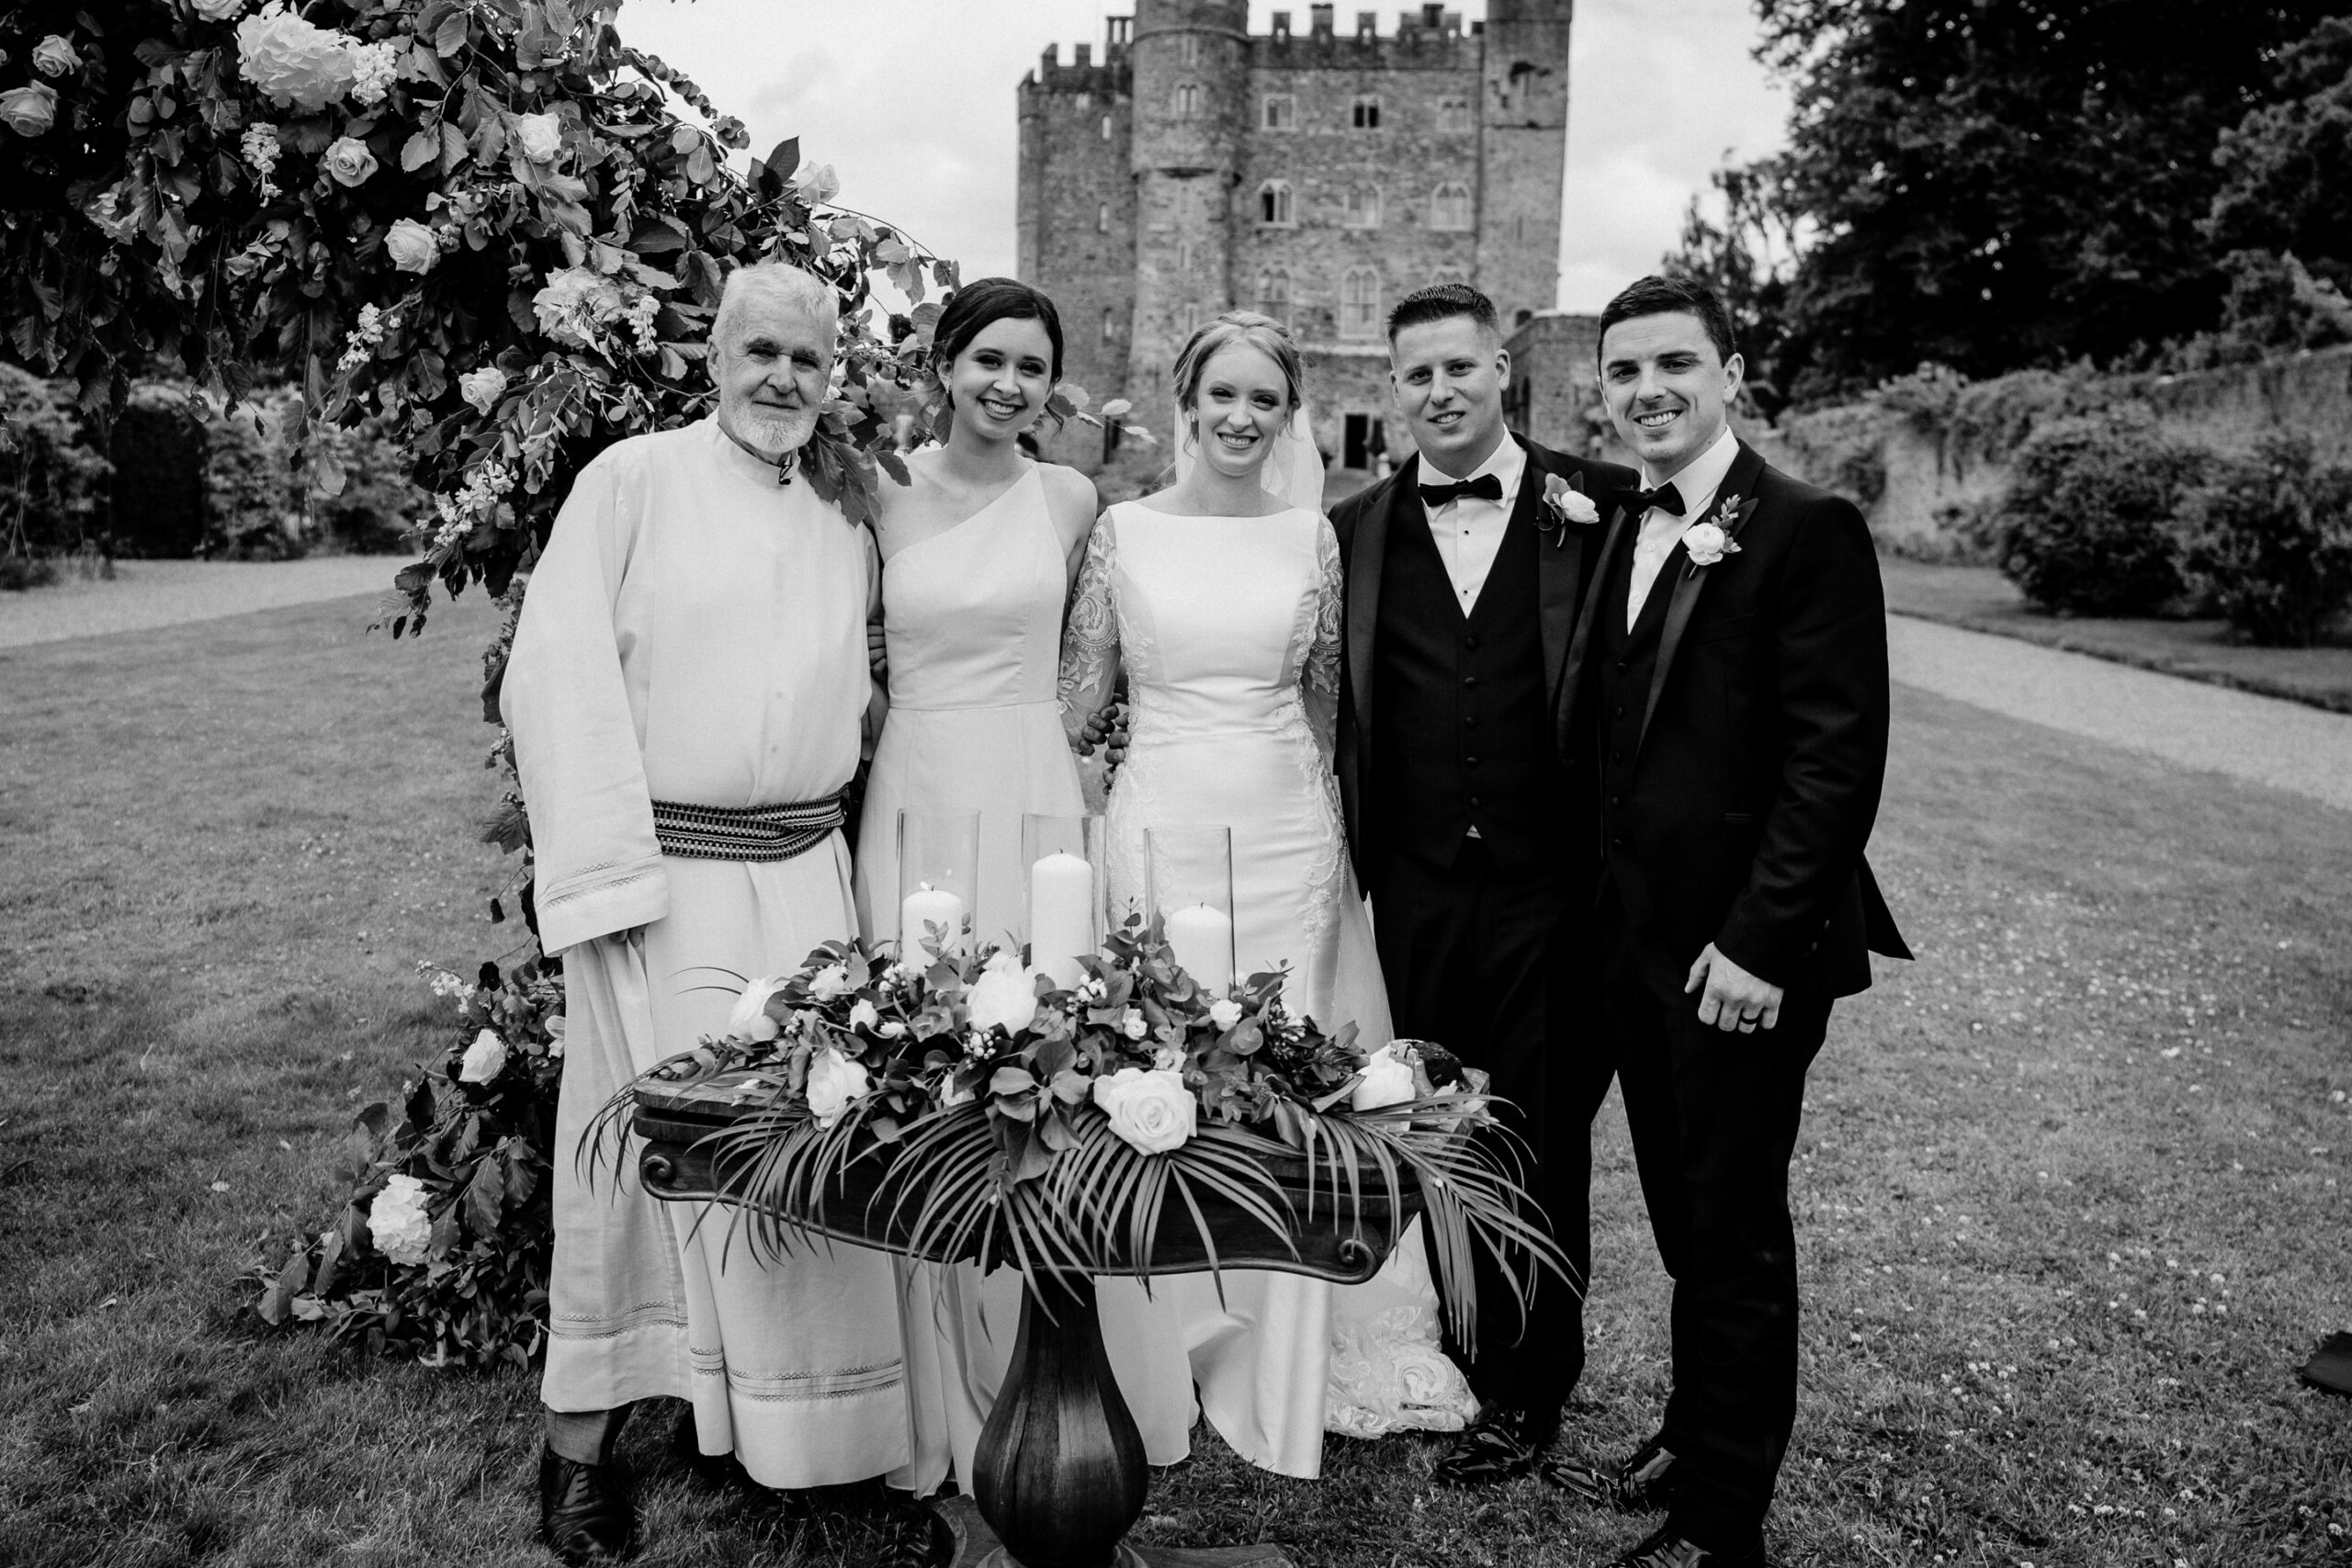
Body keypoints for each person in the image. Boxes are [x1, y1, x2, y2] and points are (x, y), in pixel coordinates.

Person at [502, 260, 916, 1563]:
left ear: (832, 372)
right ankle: (579, 1450)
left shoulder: (843, 514)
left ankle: (811, 1441)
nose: (782, 378)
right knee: (637, 1160)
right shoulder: (634, 481)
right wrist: (610, 879)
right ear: (716, 356)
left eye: (808, 357)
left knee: (812, 1148)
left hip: (804, 877)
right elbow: (554, 671)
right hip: (662, 879)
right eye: (761, 353)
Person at [1057, 310, 1479, 1479]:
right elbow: (1077, 699)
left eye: (1264, 401)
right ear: (1184, 401)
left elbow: (1322, 699)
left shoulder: (1312, 538)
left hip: (1288, 826)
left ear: (1289, 416)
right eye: (1221, 396)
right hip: (1159, 824)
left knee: (1294, 1068)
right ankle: (1165, 1328)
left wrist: (1332, 832)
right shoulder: (1121, 531)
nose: (1241, 418)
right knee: (1160, 1066)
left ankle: (1304, 1338)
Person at [1544, 275, 1908, 1568]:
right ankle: (1694, 1432)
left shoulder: (1807, 527)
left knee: (1735, 1229)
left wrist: (1758, 943)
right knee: (1686, 1216)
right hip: (1632, 945)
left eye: (1674, 364)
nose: (1649, 389)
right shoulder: (1620, 519)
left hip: (1739, 956)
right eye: (1626, 369)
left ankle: (1722, 1516)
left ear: (1732, 372)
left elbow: (1834, 760)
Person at [848, 276, 1204, 1495]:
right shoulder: (878, 490)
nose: (1009, 384)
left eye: (1032, 366)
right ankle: (932, 1370)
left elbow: (1107, 650)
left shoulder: (1069, 498)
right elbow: (847, 647)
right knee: (926, 1058)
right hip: (919, 786)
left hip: (1038, 787)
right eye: (988, 359)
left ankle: (1055, 1346)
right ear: (944, 365)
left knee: (1050, 1057)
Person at [1325, 283, 1638, 1485]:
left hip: (1552, 884)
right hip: (1411, 885)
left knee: (1540, 1134)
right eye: (1416, 376)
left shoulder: (1599, 508)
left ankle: (1528, 1383)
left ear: (1504, 368)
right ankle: (1456, 1346)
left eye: (1460, 368)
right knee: (1432, 1125)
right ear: (1391, 389)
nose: (1440, 393)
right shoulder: (1354, 530)